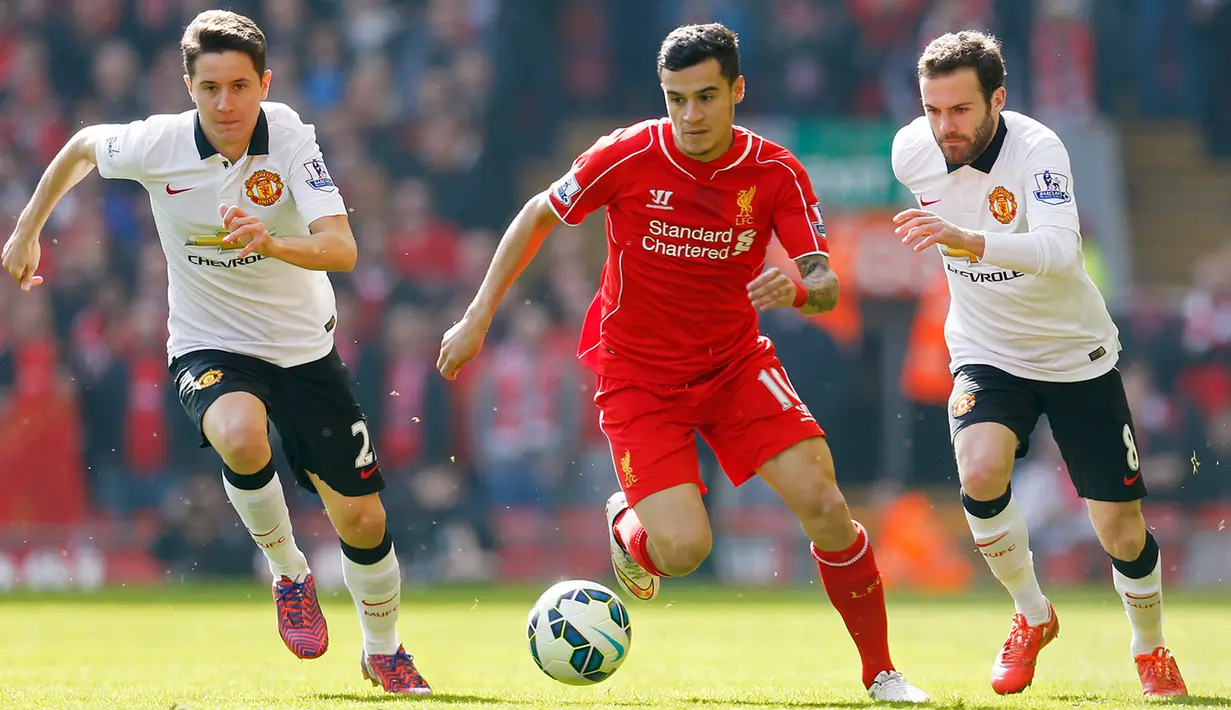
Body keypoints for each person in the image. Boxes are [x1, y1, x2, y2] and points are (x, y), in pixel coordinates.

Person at [437, 23, 929, 703]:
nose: (690, 116)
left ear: (736, 91)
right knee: (683, 552)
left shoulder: (775, 171)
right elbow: (535, 215)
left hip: (733, 366)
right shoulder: (627, 154)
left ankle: (881, 673)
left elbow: (824, 283)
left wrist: (796, 287)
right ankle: (628, 524)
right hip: (638, 380)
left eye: (705, 97)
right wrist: (478, 314)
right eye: (675, 99)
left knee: (824, 502)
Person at [1, 10, 429, 695]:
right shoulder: (158, 144)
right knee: (237, 431)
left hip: (302, 349)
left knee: (362, 517)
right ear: (188, 86)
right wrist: (27, 230)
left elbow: (342, 247)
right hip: (209, 342)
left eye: (238, 86)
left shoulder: (288, 135)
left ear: (264, 83)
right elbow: (83, 145)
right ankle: (288, 571)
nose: (224, 103)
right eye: (209, 88)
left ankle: (383, 649)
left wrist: (272, 241)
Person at [890, 30, 1187, 698]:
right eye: (932, 109)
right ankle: (1030, 613)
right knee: (979, 468)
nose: (944, 126)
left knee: (1117, 526)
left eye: (960, 110)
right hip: (986, 351)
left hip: (1073, 355)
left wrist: (966, 240)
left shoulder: (1037, 149)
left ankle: (1149, 646)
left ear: (996, 98)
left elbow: (1058, 250)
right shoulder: (910, 151)